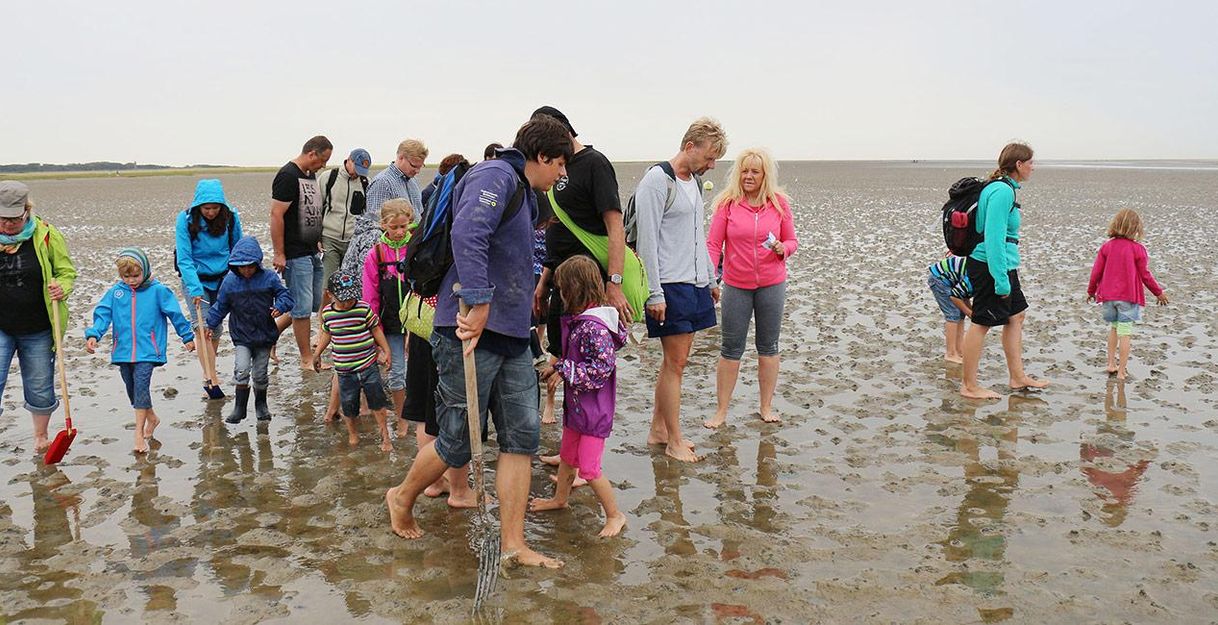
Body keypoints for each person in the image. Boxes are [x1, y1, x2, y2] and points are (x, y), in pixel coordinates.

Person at [385, 115, 573, 570]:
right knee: (457, 440)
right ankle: (401, 496)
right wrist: (479, 299)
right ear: (542, 155)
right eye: (560, 163)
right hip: (469, 328)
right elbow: (469, 232)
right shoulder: (495, 175)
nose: (563, 173)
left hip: (513, 334)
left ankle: (514, 543)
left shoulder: (524, 192)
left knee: (521, 439)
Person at [634, 117, 727, 461]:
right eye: (709, 156)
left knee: (677, 362)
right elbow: (646, 241)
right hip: (669, 284)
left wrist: (709, 278)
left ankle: (658, 430)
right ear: (690, 147)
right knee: (675, 363)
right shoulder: (657, 181)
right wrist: (654, 292)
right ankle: (674, 440)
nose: (712, 164)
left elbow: (695, 234)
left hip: (693, 281)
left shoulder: (694, 182)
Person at [530, 256, 628, 538]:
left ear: (574, 289)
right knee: (567, 456)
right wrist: (559, 367)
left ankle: (615, 514)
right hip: (577, 408)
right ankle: (559, 499)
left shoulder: (594, 327)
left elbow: (601, 369)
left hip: (595, 411)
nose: (560, 296)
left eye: (562, 290)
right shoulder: (581, 321)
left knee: (589, 468)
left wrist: (564, 369)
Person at [704, 148, 797, 428]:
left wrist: (783, 249)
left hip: (772, 284)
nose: (748, 176)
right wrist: (711, 278)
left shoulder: (779, 204)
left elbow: (792, 241)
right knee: (731, 348)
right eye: (744, 170)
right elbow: (713, 245)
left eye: (755, 171)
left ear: (764, 174)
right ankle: (721, 411)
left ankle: (766, 407)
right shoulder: (727, 204)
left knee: (768, 346)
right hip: (736, 286)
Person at [960, 142, 1050, 399]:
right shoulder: (1001, 192)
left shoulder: (1003, 188)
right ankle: (969, 385)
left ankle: (1017, 376)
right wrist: (1000, 280)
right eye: (1030, 163)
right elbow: (994, 238)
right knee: (981, 323)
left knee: (1016, 315)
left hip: (1005, 264)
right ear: (1018, 165)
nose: (1033, 167)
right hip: (990, 265)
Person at [84, 248, 196, 453]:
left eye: (135, 276)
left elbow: (175, 314)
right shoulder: (116, 292)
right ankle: (152, 417)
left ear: (144, 270)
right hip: (123, 350)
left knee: (142, 386)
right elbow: (103, 313)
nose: (131, 281)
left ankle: (138, 434)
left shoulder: (158, 291)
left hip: (148, 350)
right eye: (126, 277)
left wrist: (187, 336)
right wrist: (94, 335)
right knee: (132, 389)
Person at [0, 181, 76, 452]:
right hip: (1, 326)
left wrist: (62, 287)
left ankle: (41, 437)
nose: (8, 224)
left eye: (14, 219)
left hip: (38, 327)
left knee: (40, 385)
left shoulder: (46, 234)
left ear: (26, 211)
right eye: (3, 219)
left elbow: (66, 272)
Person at [206, 236, 294, 423]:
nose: (246, 270)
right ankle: (239, 409)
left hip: (265, 334)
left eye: (250, 266)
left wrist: (280, 306)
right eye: (242, 267)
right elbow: (220, 306)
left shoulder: (269, 278)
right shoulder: (229, 282)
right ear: (235, 266)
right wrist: (210, 324)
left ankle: (261, 405)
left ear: (258, 263)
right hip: (241, 336)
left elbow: (285, 296)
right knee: (242, 369)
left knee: (260, 373)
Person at [174, 178, 243, 397]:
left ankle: (209, 371)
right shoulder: (185, 220)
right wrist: (194, 288)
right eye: (206, 208)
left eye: (215, 208)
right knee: (202, 327)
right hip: (195, 279)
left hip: (223, 278)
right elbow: (184, 258)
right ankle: (211, 377)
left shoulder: (231, 217)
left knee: (216, 327)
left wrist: (237, 279)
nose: (211, 212)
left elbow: (238, 249)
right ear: (198, 206)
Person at [270, 135, 332, 369]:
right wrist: (279, 253)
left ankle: (272, 333)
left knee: (312, 303)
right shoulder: (288, 176)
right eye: (322, 160)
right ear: (311, 153)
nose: (323, 165)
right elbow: (276, 215)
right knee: (302, 308)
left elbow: (310, 212)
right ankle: (306, 358)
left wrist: (317, 239)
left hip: (311, 249)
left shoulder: (309, 175)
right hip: (294, 253)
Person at [314, 270, 394, 451]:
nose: (348, 303)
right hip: (344, 370)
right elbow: (327, 334)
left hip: (368, 365)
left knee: (377, 402)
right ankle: (353, 435)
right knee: (349, 405)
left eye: (351, 298)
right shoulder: (328, 314)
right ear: (330, 295)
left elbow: (375, 330)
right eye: (343, 300)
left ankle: (385, 436)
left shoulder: (363, 309)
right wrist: (317, 353)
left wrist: (386, 349)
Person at [1086, 208, 1168, 380]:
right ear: (1136, 228)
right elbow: (1145, 275)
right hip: (1128, 298)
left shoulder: (1107, 247)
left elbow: (1096, 272)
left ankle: (1111, 363)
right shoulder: (1138, 249)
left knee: (1114, 328)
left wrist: (1091, 291)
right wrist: (1158, 292)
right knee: (1125, 332)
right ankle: (1122, 371)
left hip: (1108, 297)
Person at [361, 199, 414, 434]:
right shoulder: (376, 254)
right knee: (397, 372)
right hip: (389, 323)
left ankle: (420, 412)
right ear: (383, 225)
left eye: (404, 226)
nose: (400, 232)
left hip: (417, 321)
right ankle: (402, 417)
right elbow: (370, 296)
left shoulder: (415, 247)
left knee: (420, 369)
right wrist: (376, 333)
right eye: (394, 227)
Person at [319, 148, 372, 298]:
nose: (358, 174)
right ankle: (325, 314)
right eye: (357, 168)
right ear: (349, 160)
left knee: (349, 286)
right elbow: (316, 209)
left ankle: (347, 313)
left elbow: (366, 214)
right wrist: (317, 238)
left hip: (352, 241)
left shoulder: (365, 183)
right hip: (329, 238)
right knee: (327, 286)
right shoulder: (328, 177)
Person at [927, 253, 974, 364]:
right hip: (939, 279)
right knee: (953, 314)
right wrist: (969, 312)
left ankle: (959, 349)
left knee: (961, 314)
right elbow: (956, 296)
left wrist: (969, 311)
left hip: (954, 279)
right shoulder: (974, 280)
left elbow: (964, 295)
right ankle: (951, 353)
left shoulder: (977, 280)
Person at [366, 139, 427, 221]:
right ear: (401, 157)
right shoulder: (382, 183)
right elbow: (375, 222)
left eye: (420, 166)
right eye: (413, 166)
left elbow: (419, 214)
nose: (417, 171)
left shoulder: (414, 181)